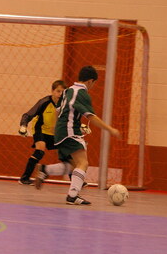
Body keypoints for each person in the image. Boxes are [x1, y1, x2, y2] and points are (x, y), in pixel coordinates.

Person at [35, 65, 121, 205]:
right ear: (90, 81)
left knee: (71, 164)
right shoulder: (82, 93)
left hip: (61, 132)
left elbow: (58, 112)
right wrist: (110, 129)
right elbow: (91, 117)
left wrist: (60, 130)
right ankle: (73, 195)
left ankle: (45, 169)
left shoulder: (68, 90)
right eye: (94, 83)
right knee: (83, 163)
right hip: (69, 132)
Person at [17, 80, 66, 185]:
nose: (60, 94)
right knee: (40, 151)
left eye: (63, 92)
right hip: (41, 130)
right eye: (58, 91)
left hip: (55, 133)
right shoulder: (44, 102)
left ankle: (76, 179)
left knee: (67, 155)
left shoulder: (65, 105)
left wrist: (81, 126)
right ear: (52, 91)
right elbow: (28, 114)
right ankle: (24, 178)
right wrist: (23, 126)